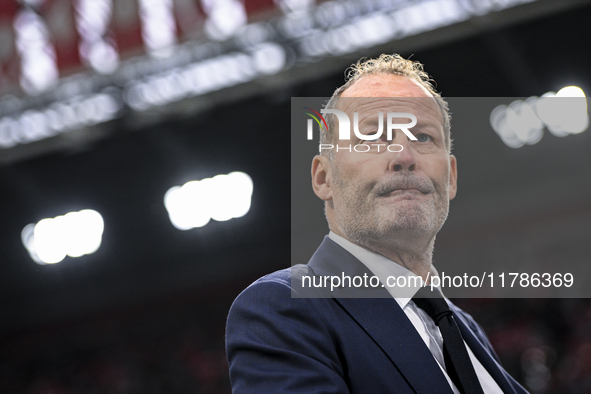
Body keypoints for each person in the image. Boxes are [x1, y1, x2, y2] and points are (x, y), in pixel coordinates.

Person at [225, 54, 528, 393]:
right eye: (374, 137)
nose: (404, 157)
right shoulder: (282, 309)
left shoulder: (466, 330)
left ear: (451, 177)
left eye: (423, 137)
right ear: (324, 178)